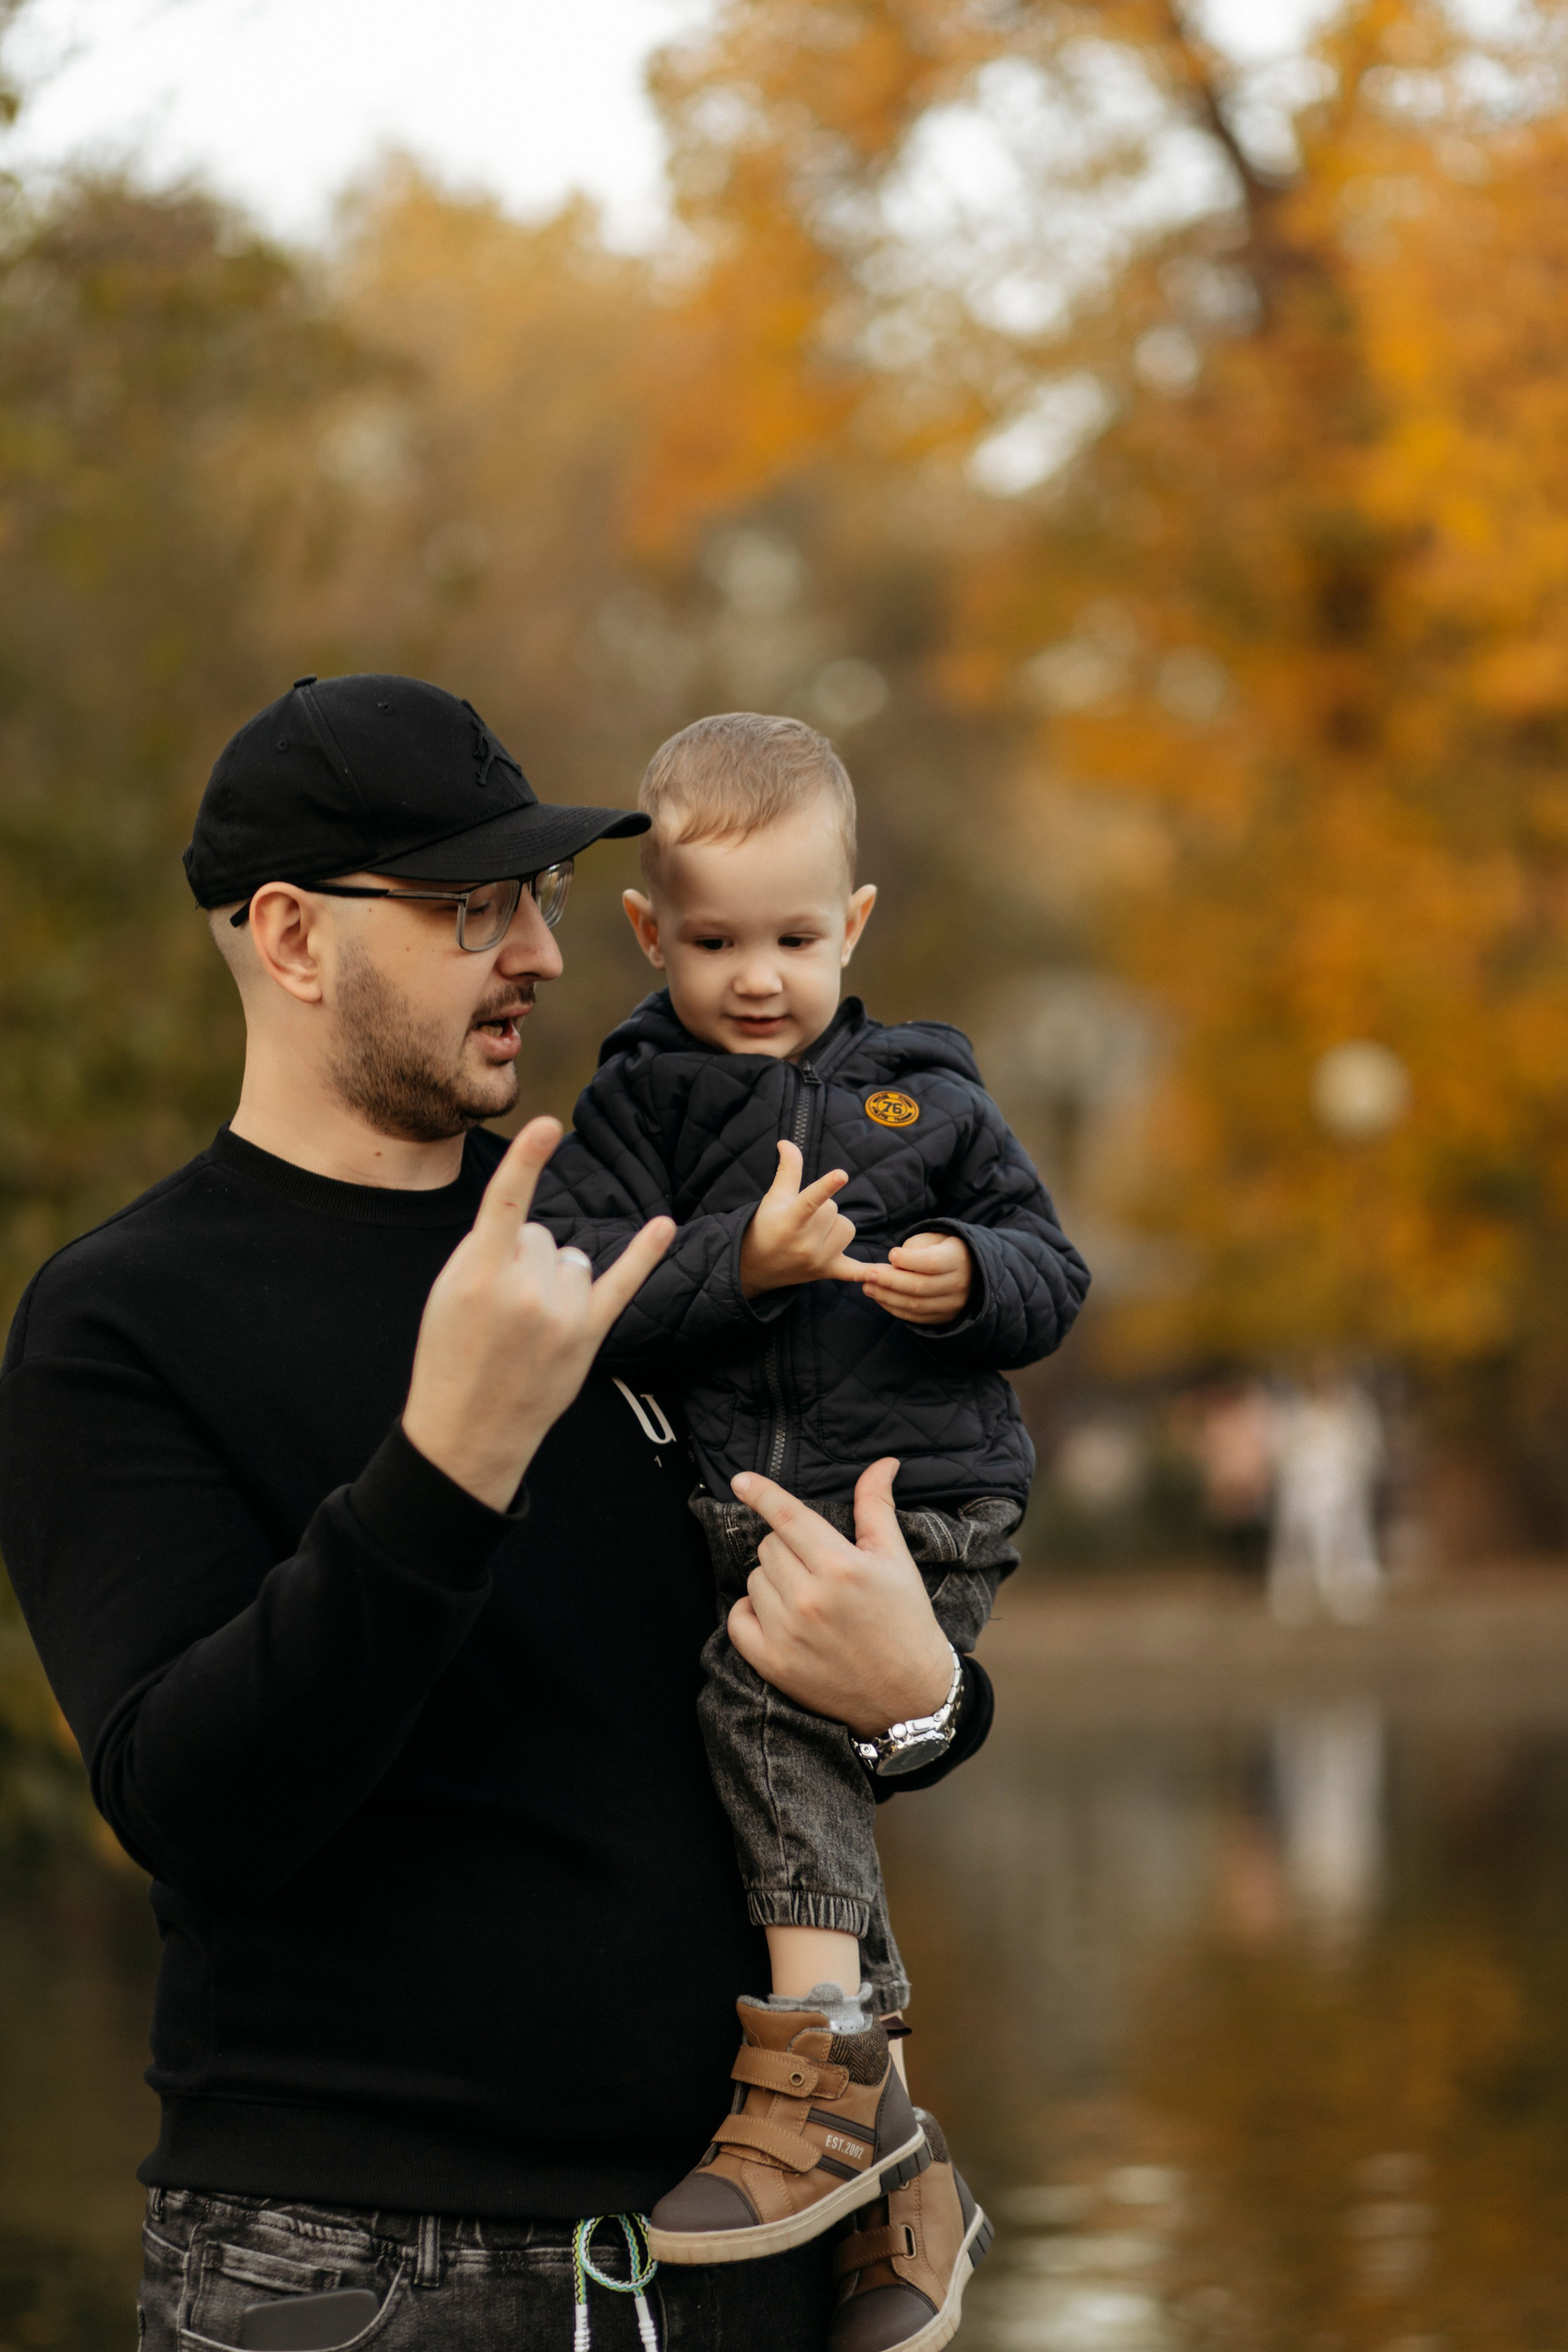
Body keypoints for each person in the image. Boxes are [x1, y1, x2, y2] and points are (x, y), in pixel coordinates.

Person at [0, 675, 1000, 2352]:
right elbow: (195, 1803)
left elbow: (835, 1703)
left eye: (535, 899)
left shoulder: (653, 1247)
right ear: (294, 939)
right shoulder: (119, 1320)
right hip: (350, 2279)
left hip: (734, 2253)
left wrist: (923, 1697)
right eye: (473, 908)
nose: (538, 953)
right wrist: (449, 1464)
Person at [532, 713, 1090, 2343]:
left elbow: (1052, 1273)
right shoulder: (642, 1105)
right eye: (713, 943)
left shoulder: (929, 1103)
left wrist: (974, 1280)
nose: (757, 977)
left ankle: (817, 2088)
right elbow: (587, 1286)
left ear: (851, 923)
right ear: (650, 934)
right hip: (746, 1507)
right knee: (786, 1760)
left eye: (792, 938)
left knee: (768, 1713)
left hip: (921, 1503)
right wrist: (743, 1268)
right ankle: (901, 2163)